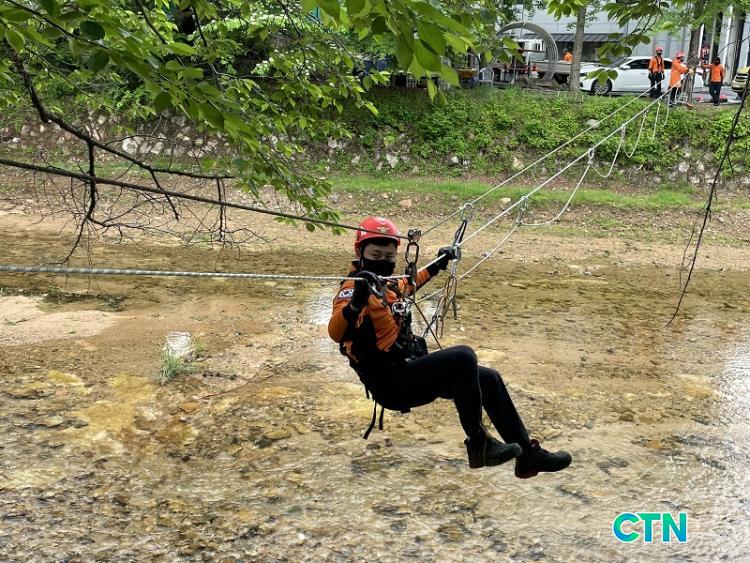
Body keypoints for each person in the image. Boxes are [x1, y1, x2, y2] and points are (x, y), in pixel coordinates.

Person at [328, 216, 573, 476]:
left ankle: (529, 458)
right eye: (376, 255)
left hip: (410, 372)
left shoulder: (385, 283)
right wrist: (355, 304)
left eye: (389, 256)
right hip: (391, 384)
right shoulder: (353, 288)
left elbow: (412, 282)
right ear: (360, 253)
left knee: (489, 378)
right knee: (463, 357)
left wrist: (439, 262)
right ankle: (479, 443)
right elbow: (335, 331)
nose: (383, 260)